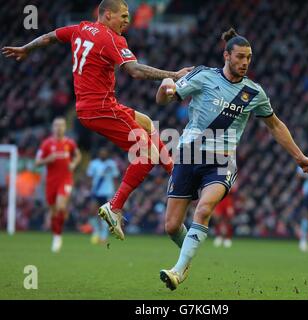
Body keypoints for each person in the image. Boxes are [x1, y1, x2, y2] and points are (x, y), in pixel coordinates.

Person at [2, 0, 192, 241]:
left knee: (146, 122)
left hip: (91, 107)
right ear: (107, 15)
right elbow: (134, 71)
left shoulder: (80, 28)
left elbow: (50, 36)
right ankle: (114, 206)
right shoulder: (111, 39)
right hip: (101, 108)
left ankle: (174, 173)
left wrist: (27, 48)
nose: (127, 20)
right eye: (123, 16)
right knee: (147, 154)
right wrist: (174, 74)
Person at [155, 28, 308, 290]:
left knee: (204, 209)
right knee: (172, 226)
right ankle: (187, 257)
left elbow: (275, 126)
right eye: (240, 56)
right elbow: (164, 99)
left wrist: (299, 157)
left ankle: (179, 268)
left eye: (249, 58)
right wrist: (164, 87)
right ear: (226, 55)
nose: (245, 62)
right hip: (188, 154)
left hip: (221, 161)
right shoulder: (204, 76)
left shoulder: (254, 92)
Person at [35, 117, 82, 252]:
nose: (59, 128)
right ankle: (56, 235)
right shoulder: (46, 144)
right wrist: (47, 159)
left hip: (65, 180)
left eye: (61, 125)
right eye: (56, 125)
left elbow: (78, 155)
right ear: (52, 127)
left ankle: (58, 236)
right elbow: (37, 162)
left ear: (65, 127)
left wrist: (73, 164)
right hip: (51, 182)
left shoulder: (70, 143)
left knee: (61, 206)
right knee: (53, 211)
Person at [87, 148, 119, 244]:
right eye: (101, 153)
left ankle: (103, 236)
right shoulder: (94, 164)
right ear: (99, 154)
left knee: (106, 215)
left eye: (104, 153)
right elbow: (89, 177)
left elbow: (115, 178)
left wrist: (117, 193)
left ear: (107, 154)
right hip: (96, 192)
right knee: (92, 212)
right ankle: (96, 231)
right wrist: (89, 189)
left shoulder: (111, 164)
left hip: (108, 192)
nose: (103, 155)